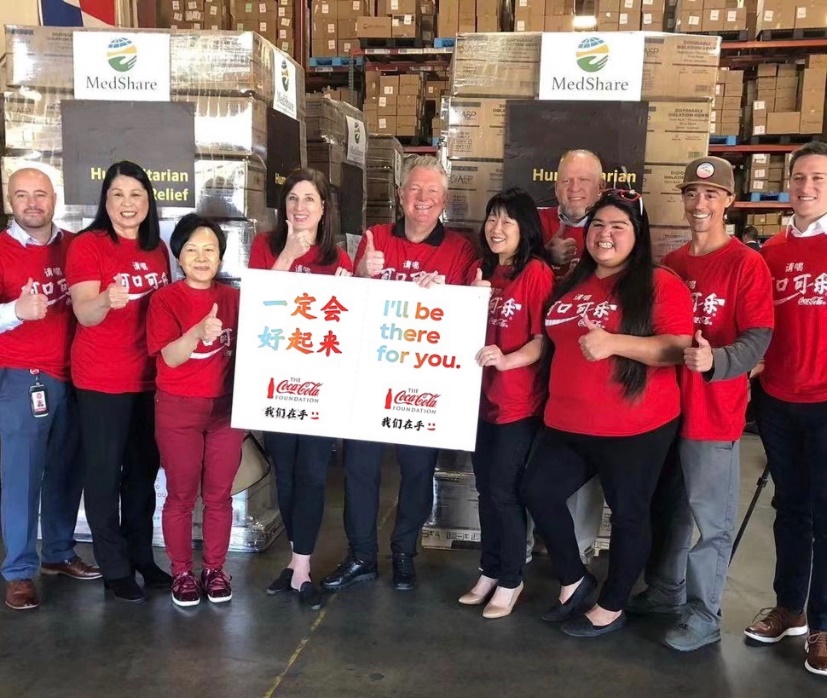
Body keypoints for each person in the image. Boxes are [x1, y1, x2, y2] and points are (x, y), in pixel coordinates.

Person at [521, 189, 694, 637]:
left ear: (638, 234)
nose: (605, 234)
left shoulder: (660, 283)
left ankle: (612, 605)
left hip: (633, 426)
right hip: (565, 422)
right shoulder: (572, 282)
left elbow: (678, 348)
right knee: (538, 491)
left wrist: (615, 343)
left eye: (619, 226)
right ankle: (574, 580)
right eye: (598, 225)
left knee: (629, 514)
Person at [628, 157, 774, 652]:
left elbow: (758, 337)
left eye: (711, 194)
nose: (700, 203)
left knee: (710, 521)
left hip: (713, 412)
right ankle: (665, 591)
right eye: (692, 193)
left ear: (729, 201)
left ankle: (704, 613)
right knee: (667, 509)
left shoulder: (746, 264)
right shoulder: (672, 264)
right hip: (665, 410)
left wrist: (717, 361)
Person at [321, 155, 477, 592]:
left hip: (424, 382)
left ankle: (405, 552)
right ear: (399, 194)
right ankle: (361, 555)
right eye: (415, 189)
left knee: (417, 470)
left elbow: (469, 315)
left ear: (445, 199)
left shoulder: (461, 250)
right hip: (369, 377)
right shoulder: (375, 238)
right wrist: (360, 275)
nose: (422, 199)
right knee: (360, 468)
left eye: (432, 191)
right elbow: (348, 307)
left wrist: (447, 296)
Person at [66, 161, 172, 604]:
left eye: (136, 195)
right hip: (102, 380)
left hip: (148, 379)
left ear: (148, 201)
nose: (128, 204)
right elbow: (83, 313)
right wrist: (105, 300)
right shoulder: (88, 246)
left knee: (143, 475)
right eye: (118, 194)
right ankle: (113, 567)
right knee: (105, 476)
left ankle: (141, 555)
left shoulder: (156, 249)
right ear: (105, 201)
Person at [249, 168, 352, 610]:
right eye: (292, 198)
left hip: (319, 387)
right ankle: (295, 563)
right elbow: (260, 307)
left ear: (324, 208)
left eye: (309, 198)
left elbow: (347, 324)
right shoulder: (265, 247)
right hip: (276, 384)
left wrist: (351, 292)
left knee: (311, 473)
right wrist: (288, 256)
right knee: (285, 474)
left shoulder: (338, 258)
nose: (300, 207)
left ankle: (303, 566)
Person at [744, 141, 827, 677]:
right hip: (777, 401)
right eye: (799, 177)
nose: (806, 187)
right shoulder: (769, 253)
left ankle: (823, 624)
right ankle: (790, 608)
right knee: (790, 508)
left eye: (818, 178)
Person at [0, 169, 101, 611]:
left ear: (54, 198)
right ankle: (19, 571)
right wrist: (15, 311)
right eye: (22, 195)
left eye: (40, 194)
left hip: (76, 376)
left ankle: (58, 552)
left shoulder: (76, 246)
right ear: (9, 200)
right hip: (22, 377)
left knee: (67, 469)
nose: (32, 203)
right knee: (22, 476)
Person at [460, 189, 554, 619]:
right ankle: (489, 569)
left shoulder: (536, 273)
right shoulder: (481, 270)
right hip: (478, 401)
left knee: (503, 492)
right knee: (484, 490)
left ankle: (512, 579)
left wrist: (507, 360)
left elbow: (541, 341)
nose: (496, 229)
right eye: (492, 219)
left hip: (518, 404)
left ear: (525, 229)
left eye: (507, 222)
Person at [146, 214, 243, 607]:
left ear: (220, 256)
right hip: (178, 410)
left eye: (210, 250)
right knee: (181, 495)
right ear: (179, 257)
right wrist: (198, 332)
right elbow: (170, 357)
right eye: (192, 250)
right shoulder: (165, 299)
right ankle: (182, 572)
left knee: (219, 495)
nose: (201, 258)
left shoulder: (234, 299)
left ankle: (215, 569)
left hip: (225, 412)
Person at [538, 149, 604, 278]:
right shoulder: (533, 221)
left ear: (600, 187)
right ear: (556, 188)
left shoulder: (614, 230)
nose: (574, 188)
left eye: (583, 180)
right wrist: (544, 255)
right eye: (566, 181)